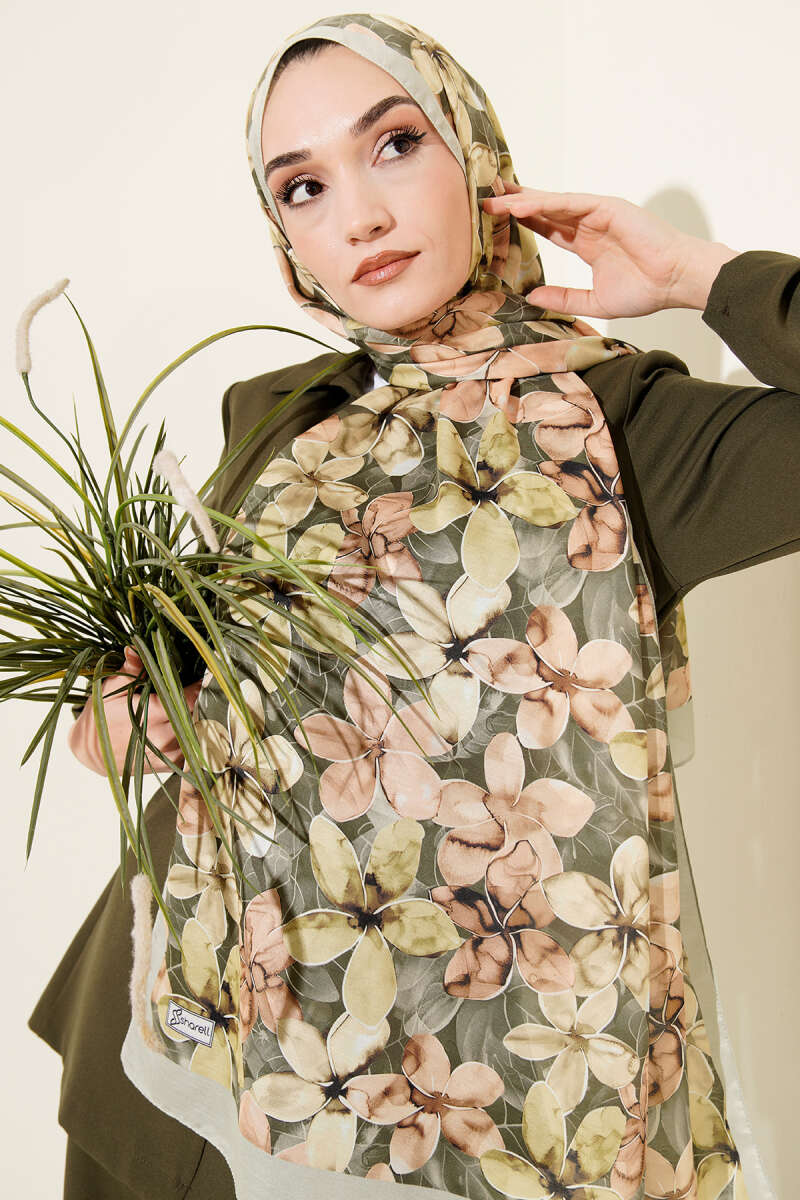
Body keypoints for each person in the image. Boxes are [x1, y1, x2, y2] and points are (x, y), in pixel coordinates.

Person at [27, 11, 795, 1199]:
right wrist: (130, 718)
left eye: (392, 145)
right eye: (302, 186)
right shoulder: (277, 415)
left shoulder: (624, 426)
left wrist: (699, 276)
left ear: (475, 155)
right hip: (198, 1046)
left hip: (484, 1107)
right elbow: (191, 678)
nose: (358, 217)